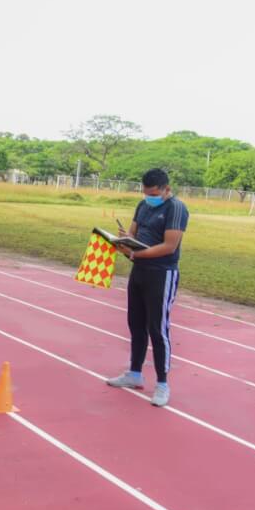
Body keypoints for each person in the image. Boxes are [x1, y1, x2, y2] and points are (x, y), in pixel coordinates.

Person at [106, 168, 189, 408]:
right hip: (139, 271)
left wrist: (136, 253)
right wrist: (124, 239)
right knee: (136, 324)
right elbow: (133, 232)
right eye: (145, 192)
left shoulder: (176, 208)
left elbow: (169, 246)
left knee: (158, 329)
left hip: (162, 274)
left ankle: (162, 384)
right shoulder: (143, 206)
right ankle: (134, 373)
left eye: (153, 193)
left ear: (166, 190)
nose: (148, 196)